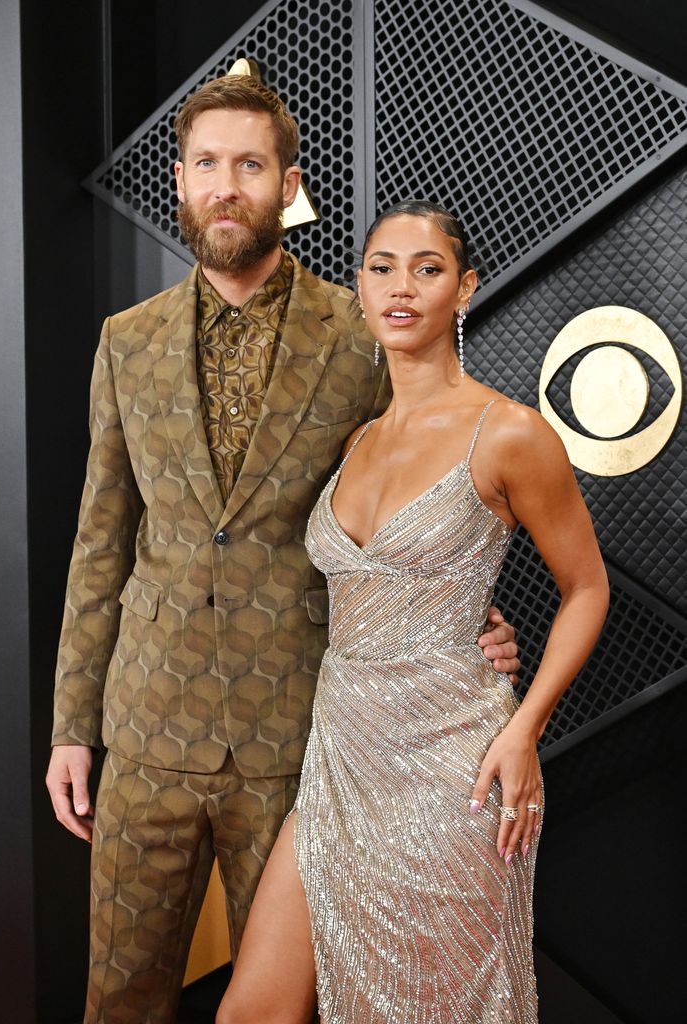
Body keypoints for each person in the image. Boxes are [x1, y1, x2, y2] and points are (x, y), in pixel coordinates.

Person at [45, 81, 520, 1024]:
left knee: (290, 1006)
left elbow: (426, 479)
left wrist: (470, 612)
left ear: (287, 186)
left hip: (301, 737)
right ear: (181, 181)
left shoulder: (359, 329)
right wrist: (72, 724)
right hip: (145, 732)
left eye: (250, 167)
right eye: (209, 166)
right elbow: (101, 538)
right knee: (118, 1001)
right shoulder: (124, 343)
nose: (227, 187)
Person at [218, 200, 610, 1024]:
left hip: (452, 772)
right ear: (359, 288)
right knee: (250, 1011)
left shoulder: (508, 434)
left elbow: (586, 588)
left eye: (426, 269)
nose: (401, 287)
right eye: (381, 268)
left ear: (463, 289)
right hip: (338, 765)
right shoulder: (356, 440)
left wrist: (523, 730)